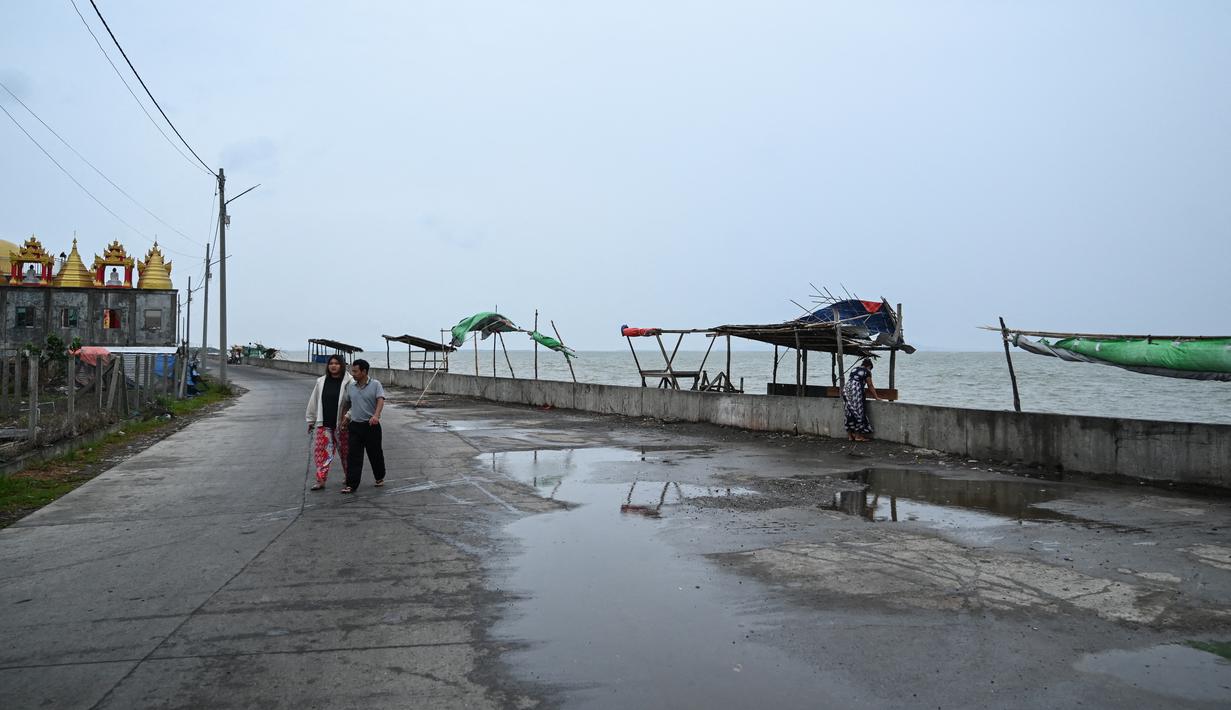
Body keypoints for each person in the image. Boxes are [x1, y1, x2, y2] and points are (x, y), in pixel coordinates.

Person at [304, 354, 352, 490]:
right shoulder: (321, 381)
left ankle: (349, 476)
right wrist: (311, 420)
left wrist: (348, 417)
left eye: (337, 363)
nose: (333, 366)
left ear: (342, 365)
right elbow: (314, 401)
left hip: (342, 424)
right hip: (324, 423)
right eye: (331, 363)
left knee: (346, 453)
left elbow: (354, 402)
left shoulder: (350, 382)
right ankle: (321, 480)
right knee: (321, 453)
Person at [339, 359, 386, 493]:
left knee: (375, 453)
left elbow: (380, 400)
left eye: (355, 371)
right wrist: (344, 420)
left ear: (364, 371)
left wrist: (376, 415)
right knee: (353, 455)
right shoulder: (351, 387)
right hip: (355, 426)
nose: (352, 374)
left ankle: (379, 477)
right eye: (352, 371)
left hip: (371, 426)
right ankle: (351, 484)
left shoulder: (375, 384)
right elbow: (347, 404)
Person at [842, 357, 882, 442]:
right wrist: (876, 397)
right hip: (855, 390)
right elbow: (870, 385)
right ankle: (858, 436)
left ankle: (850, 436)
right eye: (870, 369)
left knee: (849, 411)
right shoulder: (867, 371)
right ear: (869, 366)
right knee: (858, 412)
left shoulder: (855, 369)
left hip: (846, 389)